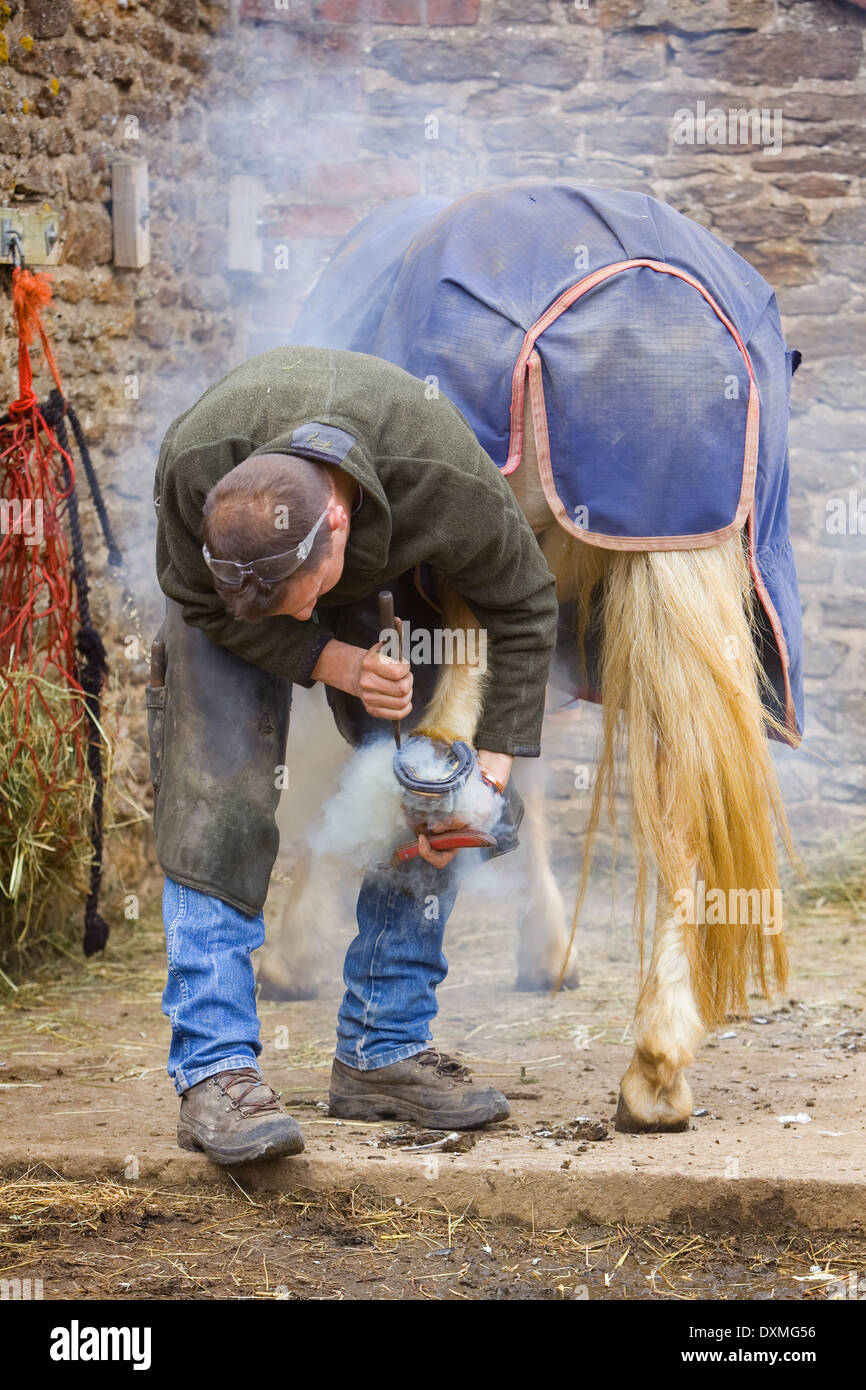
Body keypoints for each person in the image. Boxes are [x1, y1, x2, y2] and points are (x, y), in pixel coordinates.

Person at [149, 345, 558, 1165]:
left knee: (429, 785)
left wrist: (492, 768)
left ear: (334, 524)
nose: (279, 609)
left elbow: (524, 603)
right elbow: (207, 600)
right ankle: (215, 1072)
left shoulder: (440, 478)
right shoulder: (194, 471)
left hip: (393, 568)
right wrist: (327, 657)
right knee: (215, 791)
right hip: (228, 610)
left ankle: (383, 1048)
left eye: (290, 592)